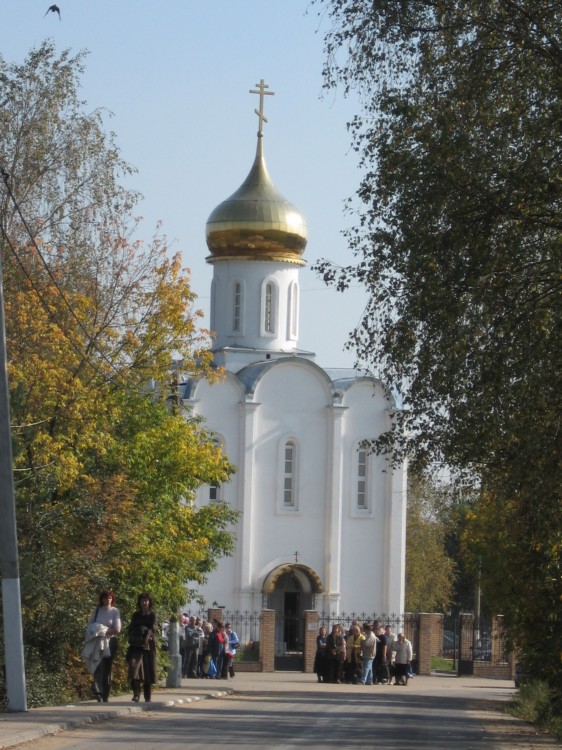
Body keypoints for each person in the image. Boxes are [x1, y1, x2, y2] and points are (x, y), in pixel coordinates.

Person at [83, 589, 121, 702]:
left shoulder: (115, 611)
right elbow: (90, 625)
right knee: (97, 666)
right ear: (102, 599)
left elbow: (117, 629)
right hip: (97, 641)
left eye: (109, 598)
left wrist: (104, 631)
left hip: (110, 642)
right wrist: (97, 631)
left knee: (107, 668)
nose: (107, 600)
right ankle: (97, 691)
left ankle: (105, 694)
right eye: (105, 598)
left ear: (112, 599)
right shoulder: (97, 610)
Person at [126, 592, 157, 702]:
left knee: (147, 671)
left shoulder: (152, 615)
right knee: (134, 668)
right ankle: (136, 694)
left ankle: (147, 696)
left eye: (146, 600)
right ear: (139, 602)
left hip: (147, 646)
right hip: (136, 645)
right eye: (142, 600)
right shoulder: (136, 615)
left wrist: (148, 636)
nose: (144, 602)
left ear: (149, 602)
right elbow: (132, 627)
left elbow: (152, 628)